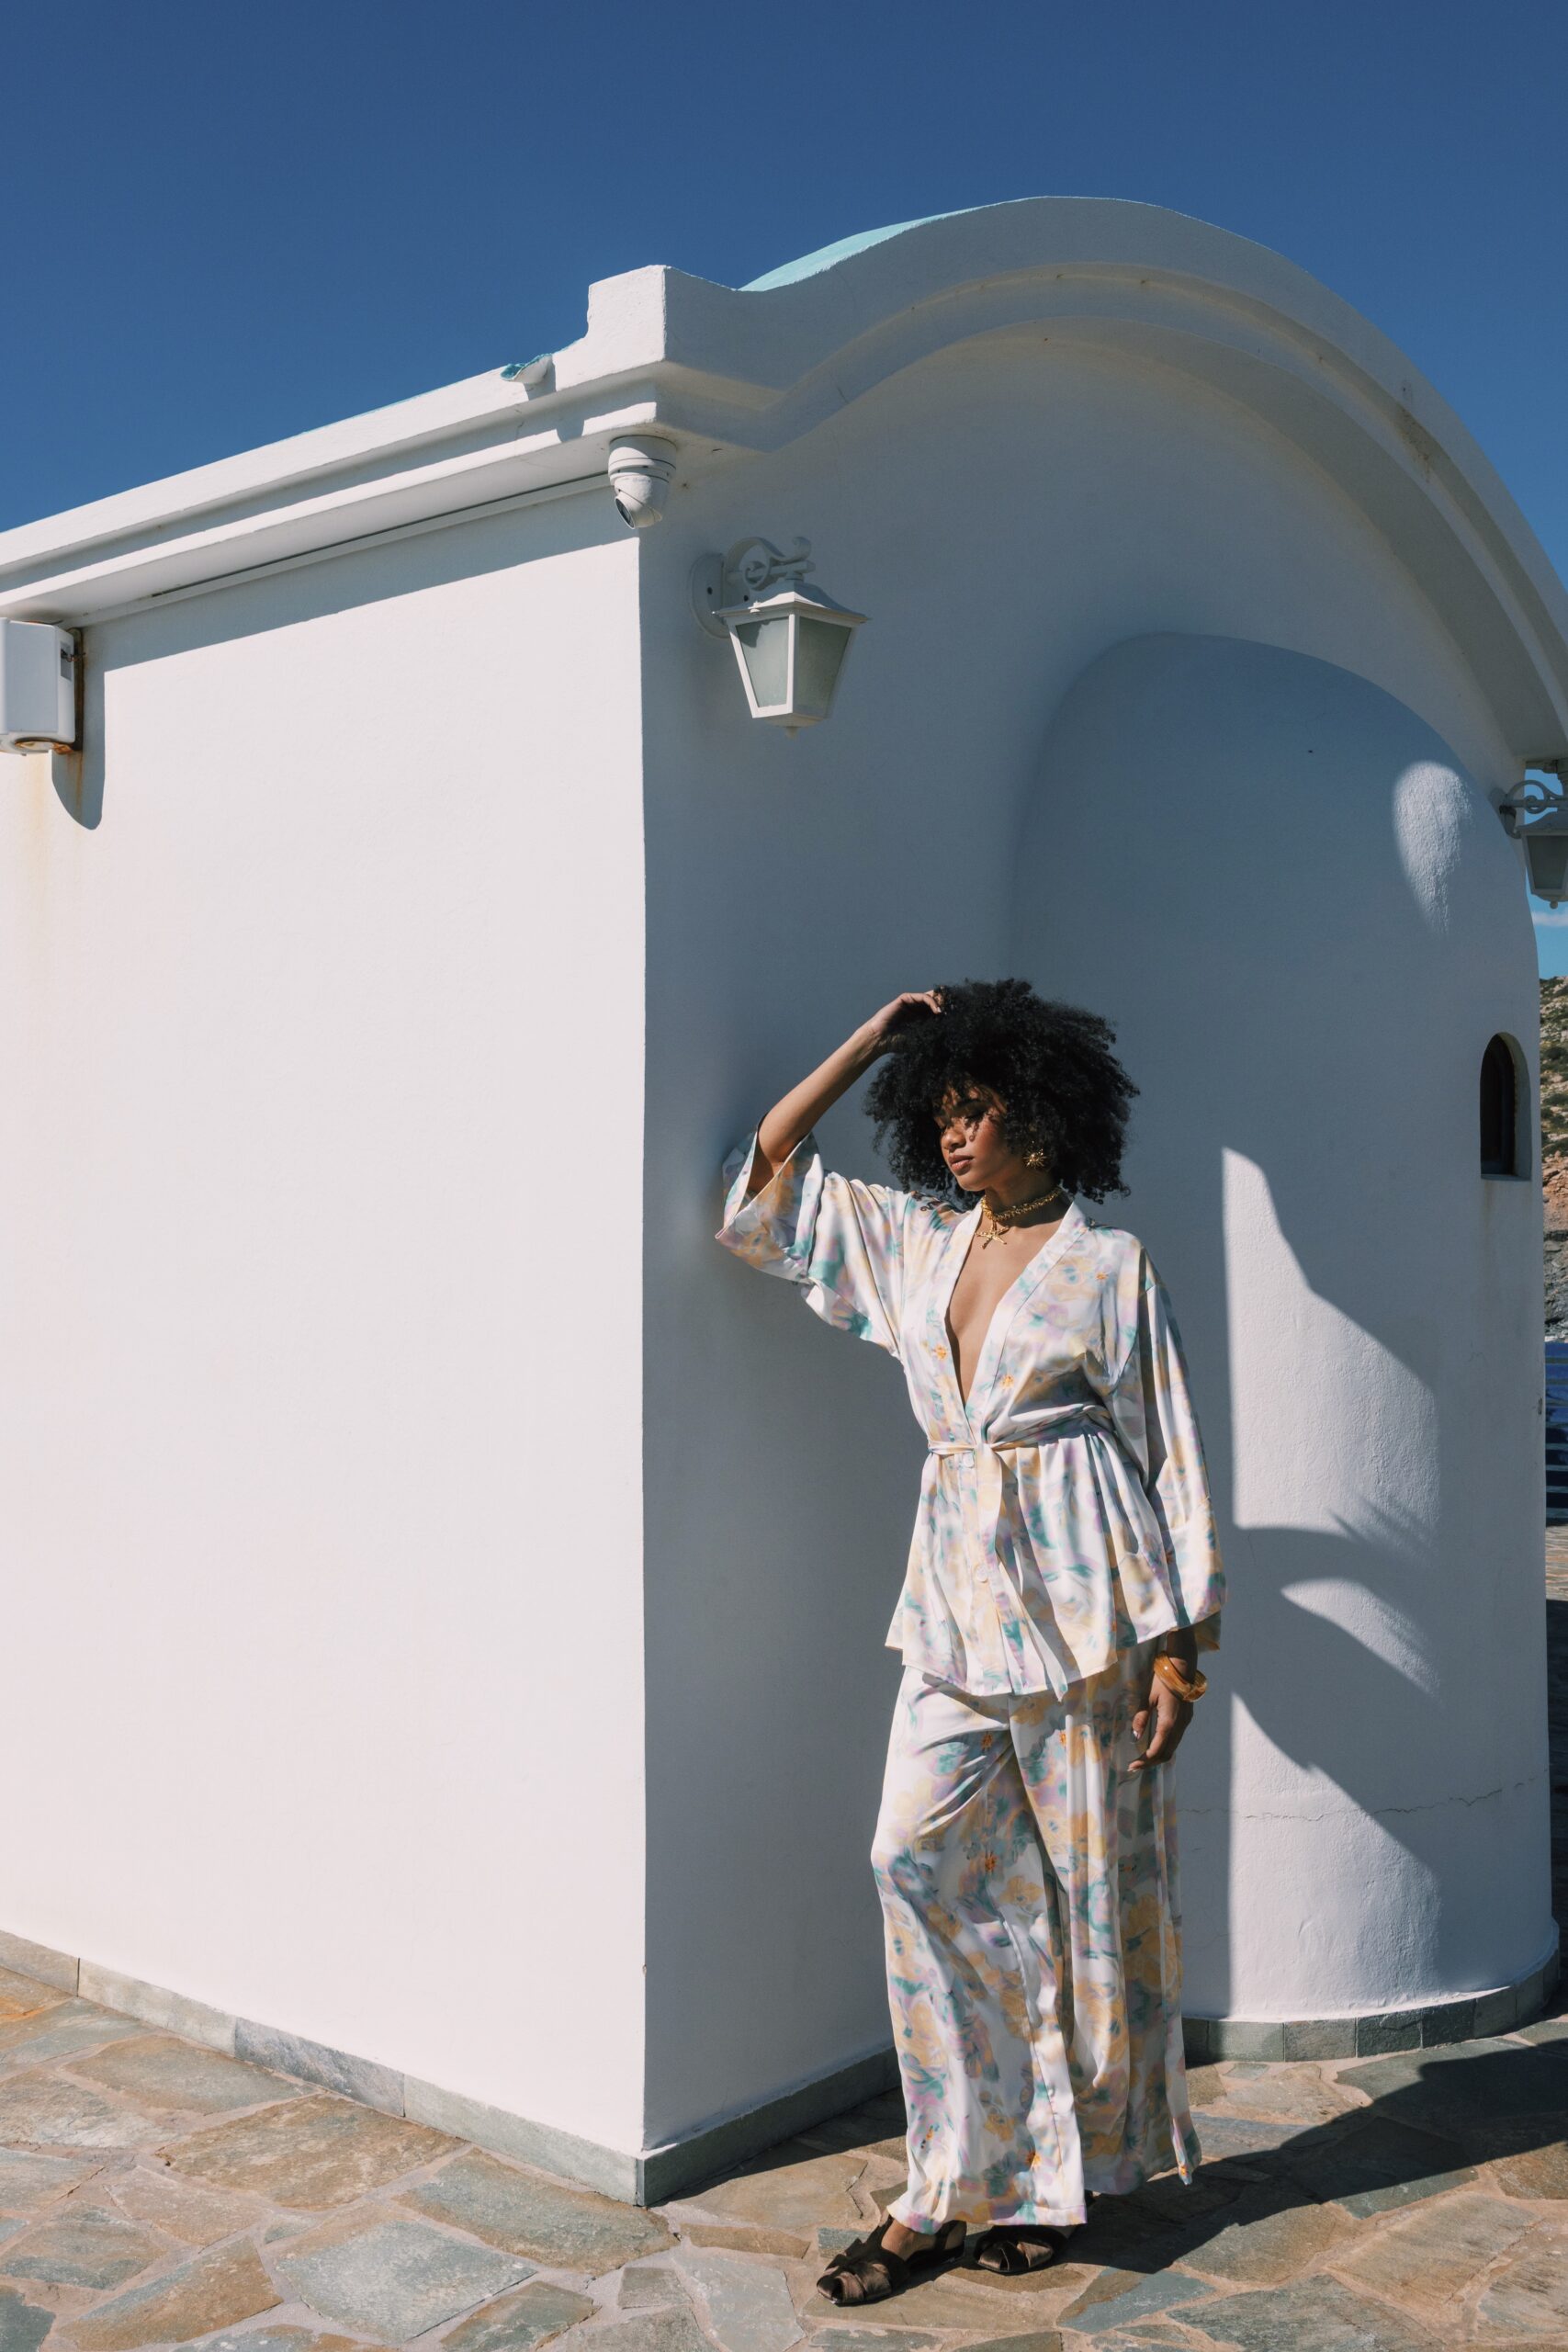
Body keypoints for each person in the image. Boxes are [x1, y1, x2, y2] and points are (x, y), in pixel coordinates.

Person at [715, 979, 1224, 2305]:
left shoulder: (1110, 1268)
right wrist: (868, 1042)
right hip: (952, 1607)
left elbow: (1170, 1451)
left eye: (976, 1109)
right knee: (912, 1859)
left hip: (1091, 1612)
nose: (951, 1133)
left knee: (1094, 1904)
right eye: (938, 1110)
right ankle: (951, 2176)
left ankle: (1051, 2186)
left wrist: (1182, 1649)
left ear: (1042, 1118)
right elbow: (763, 1185)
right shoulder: (918, 1246)